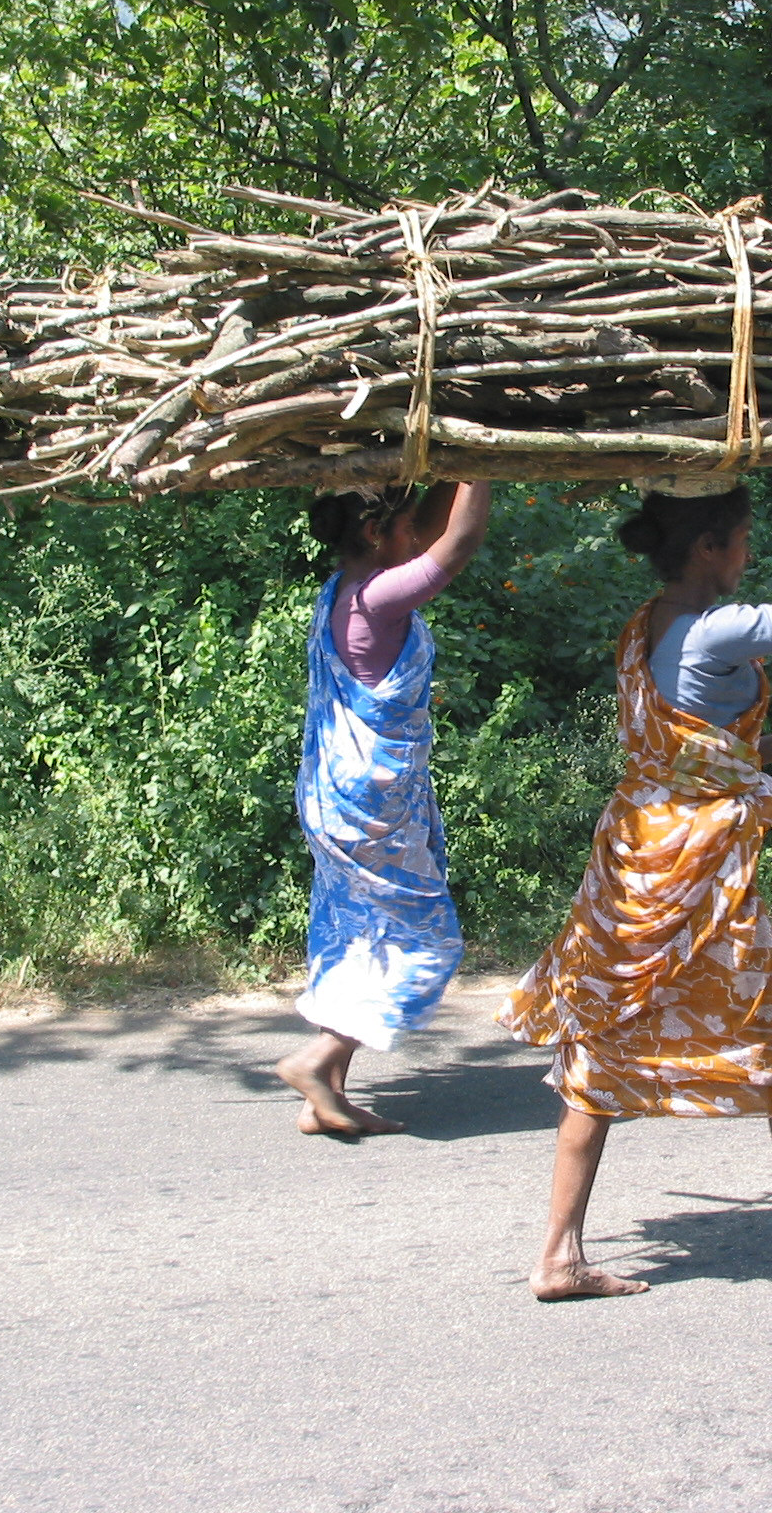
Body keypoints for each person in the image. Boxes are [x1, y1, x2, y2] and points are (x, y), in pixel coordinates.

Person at [498, 397, 772, 1300]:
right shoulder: (719, 631)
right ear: (708, 547)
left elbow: (682, 756)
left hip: (633, 869)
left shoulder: (647, 626)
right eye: (741, 540)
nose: (749, 555)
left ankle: (559, 1254)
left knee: (602, 1040)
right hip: (699, 881)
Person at [279, 480, 494, 1137]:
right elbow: (454, 548)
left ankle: (328, 1096)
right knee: (426, 942)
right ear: (377, 535)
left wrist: (446, 471)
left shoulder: (339, 593)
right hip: (369, 808)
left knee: (354, 934)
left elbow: (428, 532)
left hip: (333, 796)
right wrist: (484, 465)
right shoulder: (377, 601)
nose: (414, 542)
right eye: (402, 531)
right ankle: (319, 1061)